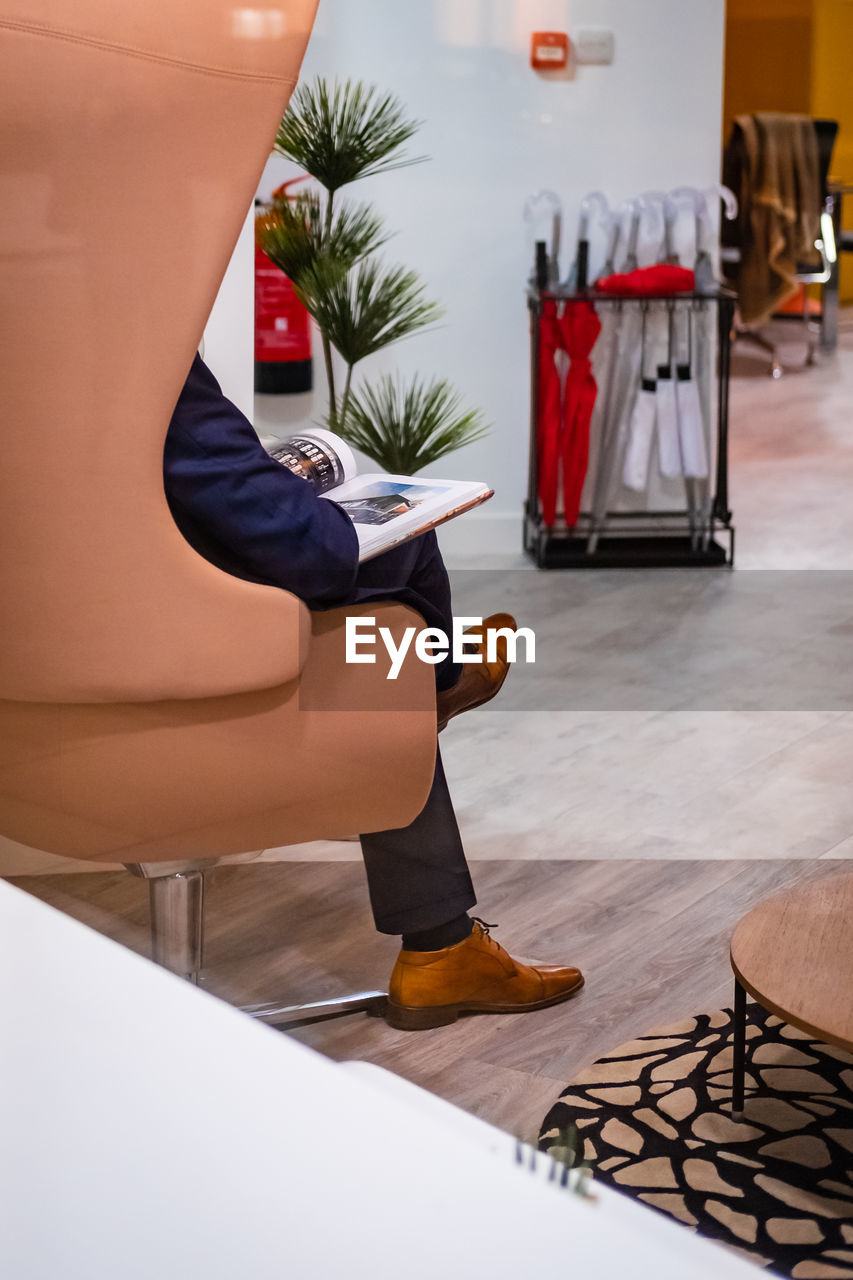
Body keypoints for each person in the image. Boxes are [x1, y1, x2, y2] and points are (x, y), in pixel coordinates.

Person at [164, 352, 584, 1029]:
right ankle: (439, 943)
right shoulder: (137, 355)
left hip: (42, 681)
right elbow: (300, 546)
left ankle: (442, 942)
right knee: (391, 580)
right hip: (169, 676)